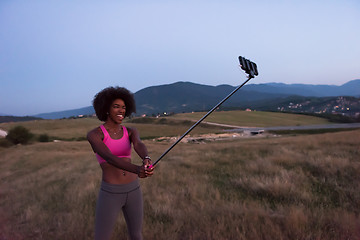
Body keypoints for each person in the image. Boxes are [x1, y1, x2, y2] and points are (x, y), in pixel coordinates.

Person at [87, 86, 154, 240]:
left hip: (133, 189)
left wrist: (146, 159)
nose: (121, 110)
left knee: (136, 235)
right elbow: (109, 158)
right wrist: (137, 169)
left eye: (124, 107)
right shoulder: (95, 135)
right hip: (111, 192)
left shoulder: (131, 131)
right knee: (101, 237)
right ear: (106, 109)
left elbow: (139, 145)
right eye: (116, 106)